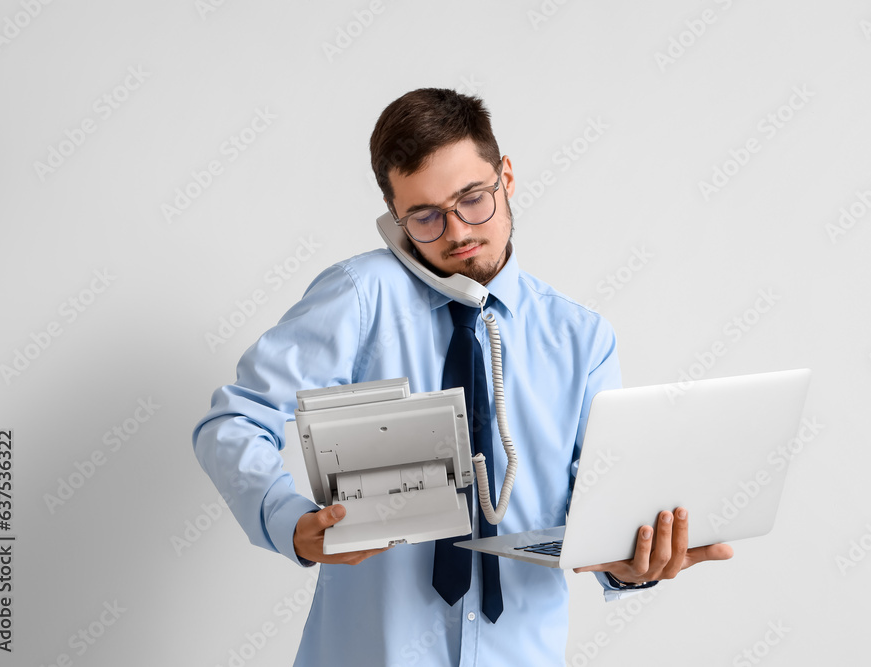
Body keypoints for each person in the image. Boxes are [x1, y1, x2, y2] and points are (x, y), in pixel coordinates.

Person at [192, 88, 733, 666]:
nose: (455, 232)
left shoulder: (582, 338)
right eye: (424, 216)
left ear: (506, 177)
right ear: (392, 216)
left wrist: (631, 565)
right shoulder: (360, 297)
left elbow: (601, 508)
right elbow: (234, 421)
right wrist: (288, 520)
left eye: (473, 199)